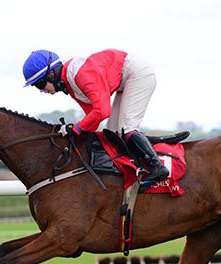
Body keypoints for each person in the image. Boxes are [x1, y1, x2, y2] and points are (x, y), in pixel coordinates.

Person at [22, 49, 169, 182]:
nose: (41, 90)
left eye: (39, 84)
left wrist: (75, 128)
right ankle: (133, 167)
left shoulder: (81, 75)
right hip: (124, 80)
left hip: (137, 73)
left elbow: (103, 111)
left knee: (126, 128)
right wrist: (73, 132)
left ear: (51, 74)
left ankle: (157, 167)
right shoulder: (70, 84)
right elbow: (92, 119)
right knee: (111, 134)